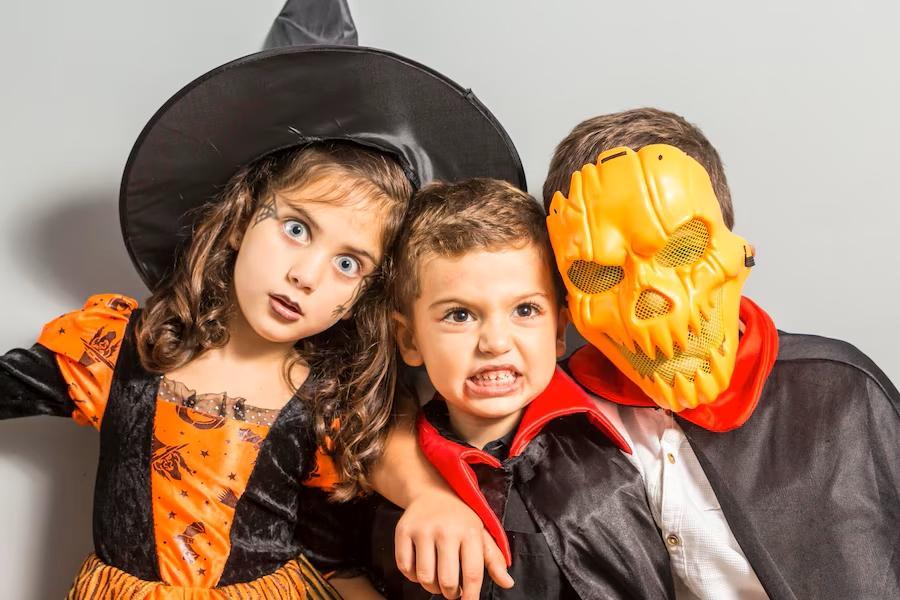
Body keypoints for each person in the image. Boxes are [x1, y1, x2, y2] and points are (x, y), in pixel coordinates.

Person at [0, 46, 525, 598]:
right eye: (296, 229)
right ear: (240, 219)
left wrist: (430, 497)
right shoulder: (120, 350)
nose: (306, 275)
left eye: (349, 264)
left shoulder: (329, 402)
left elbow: (363, 492)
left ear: (363, 297)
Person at [538, 107, 900, 599]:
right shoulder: (550, 414)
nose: (649, 304)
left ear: (739, 251)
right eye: (600, 274)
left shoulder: (838, 391)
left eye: (680, 251)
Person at [369, 178, 675, 599]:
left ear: (559, 330)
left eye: (525, 309)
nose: (495, 342)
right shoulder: (391, 465)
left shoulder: (623, 453)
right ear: (409, 340)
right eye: (459, 315)